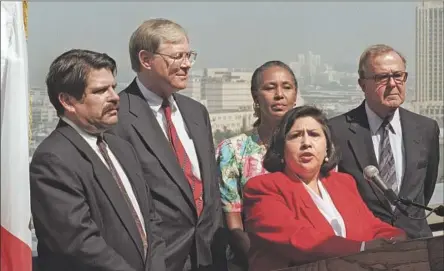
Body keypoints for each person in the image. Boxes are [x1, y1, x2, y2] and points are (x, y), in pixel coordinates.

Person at [30, 49, 166, 271]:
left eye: (113, 87)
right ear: (67, 101)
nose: (114, 97)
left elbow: (151, 221)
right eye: (101, 90)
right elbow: (78, 244)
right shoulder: (53, 159)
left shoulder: (122, 148)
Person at [109, 19, 226, 271]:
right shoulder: (116, 118)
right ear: (146, 59)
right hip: (158, 259)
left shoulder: (196, 113)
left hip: (208, 256)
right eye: (177, 56)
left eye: (188, 55)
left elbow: (210, 189)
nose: (187, 64)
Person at [242, 106, 405, 271]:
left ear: (327, 148)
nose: (306, 143)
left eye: (314, 134)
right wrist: (361, 249)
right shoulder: (263, 188)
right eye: (296, 136)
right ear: (282, 149)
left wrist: (395, 240)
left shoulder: (343, 183)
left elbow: (371, 226)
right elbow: (296, 239)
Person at [328, 44, 440, 238]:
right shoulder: (336, 130)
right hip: (363, 248)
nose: (392, 84)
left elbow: (427, 185)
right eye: (381, 77)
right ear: (362, 84)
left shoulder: (426, 128)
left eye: (398, 75)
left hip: (417, 246)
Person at [215, 60, 298, 270]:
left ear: (295, 96)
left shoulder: (311, 147)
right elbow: (233, 221)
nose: (279, 94)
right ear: (255, 97)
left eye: (287, 87)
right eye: (270, 88)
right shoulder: (232, 151)